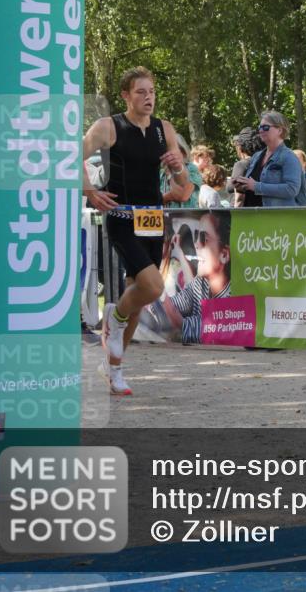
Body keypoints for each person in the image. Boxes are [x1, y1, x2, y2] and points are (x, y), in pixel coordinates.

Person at [82, 66, 189, 395]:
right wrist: (89, 191)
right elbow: (69, 157)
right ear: (126, 96)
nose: (148, 98)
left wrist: (178, 168)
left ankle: (113, 370)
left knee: (139, 298)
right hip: (122, 217)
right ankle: (115, 313)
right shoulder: (108, 127)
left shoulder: (164, 130)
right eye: (141, 92)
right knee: (153, 287)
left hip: (152, 219)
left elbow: (184, 190)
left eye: (152, 92)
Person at [159, 212, 231, 345]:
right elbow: (178, 304)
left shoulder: (231, 298)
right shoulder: (200, 282)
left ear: (224, 255)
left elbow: (182, 326)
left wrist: (157, 289)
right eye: (196, 235)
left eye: (204, 238)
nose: (196, 244)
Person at [231, 111, 306, 207]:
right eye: (260, 127)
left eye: (265, 127)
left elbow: (292, 189)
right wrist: (243, 184)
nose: (261, 130)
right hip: (253, 217)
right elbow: (252, 186)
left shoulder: (289, 157)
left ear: (280, 130)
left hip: (276, 218)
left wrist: (256, 186)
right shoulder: (257, 156)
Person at [161, 135, 202, 209]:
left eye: (172, 149)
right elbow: (152, 201)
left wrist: (169, 174)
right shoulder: (161, 174)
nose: (167, 153)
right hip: (162, 218)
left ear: (183, 152)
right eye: (165, 149)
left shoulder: (191, 169)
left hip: (185, 219)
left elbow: (182, 196)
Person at [227, 127, 263, 208]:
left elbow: (239, 196)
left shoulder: (241, 165)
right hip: (261, 210)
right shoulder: (265, 163)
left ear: (240, 147)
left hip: (243, 213)